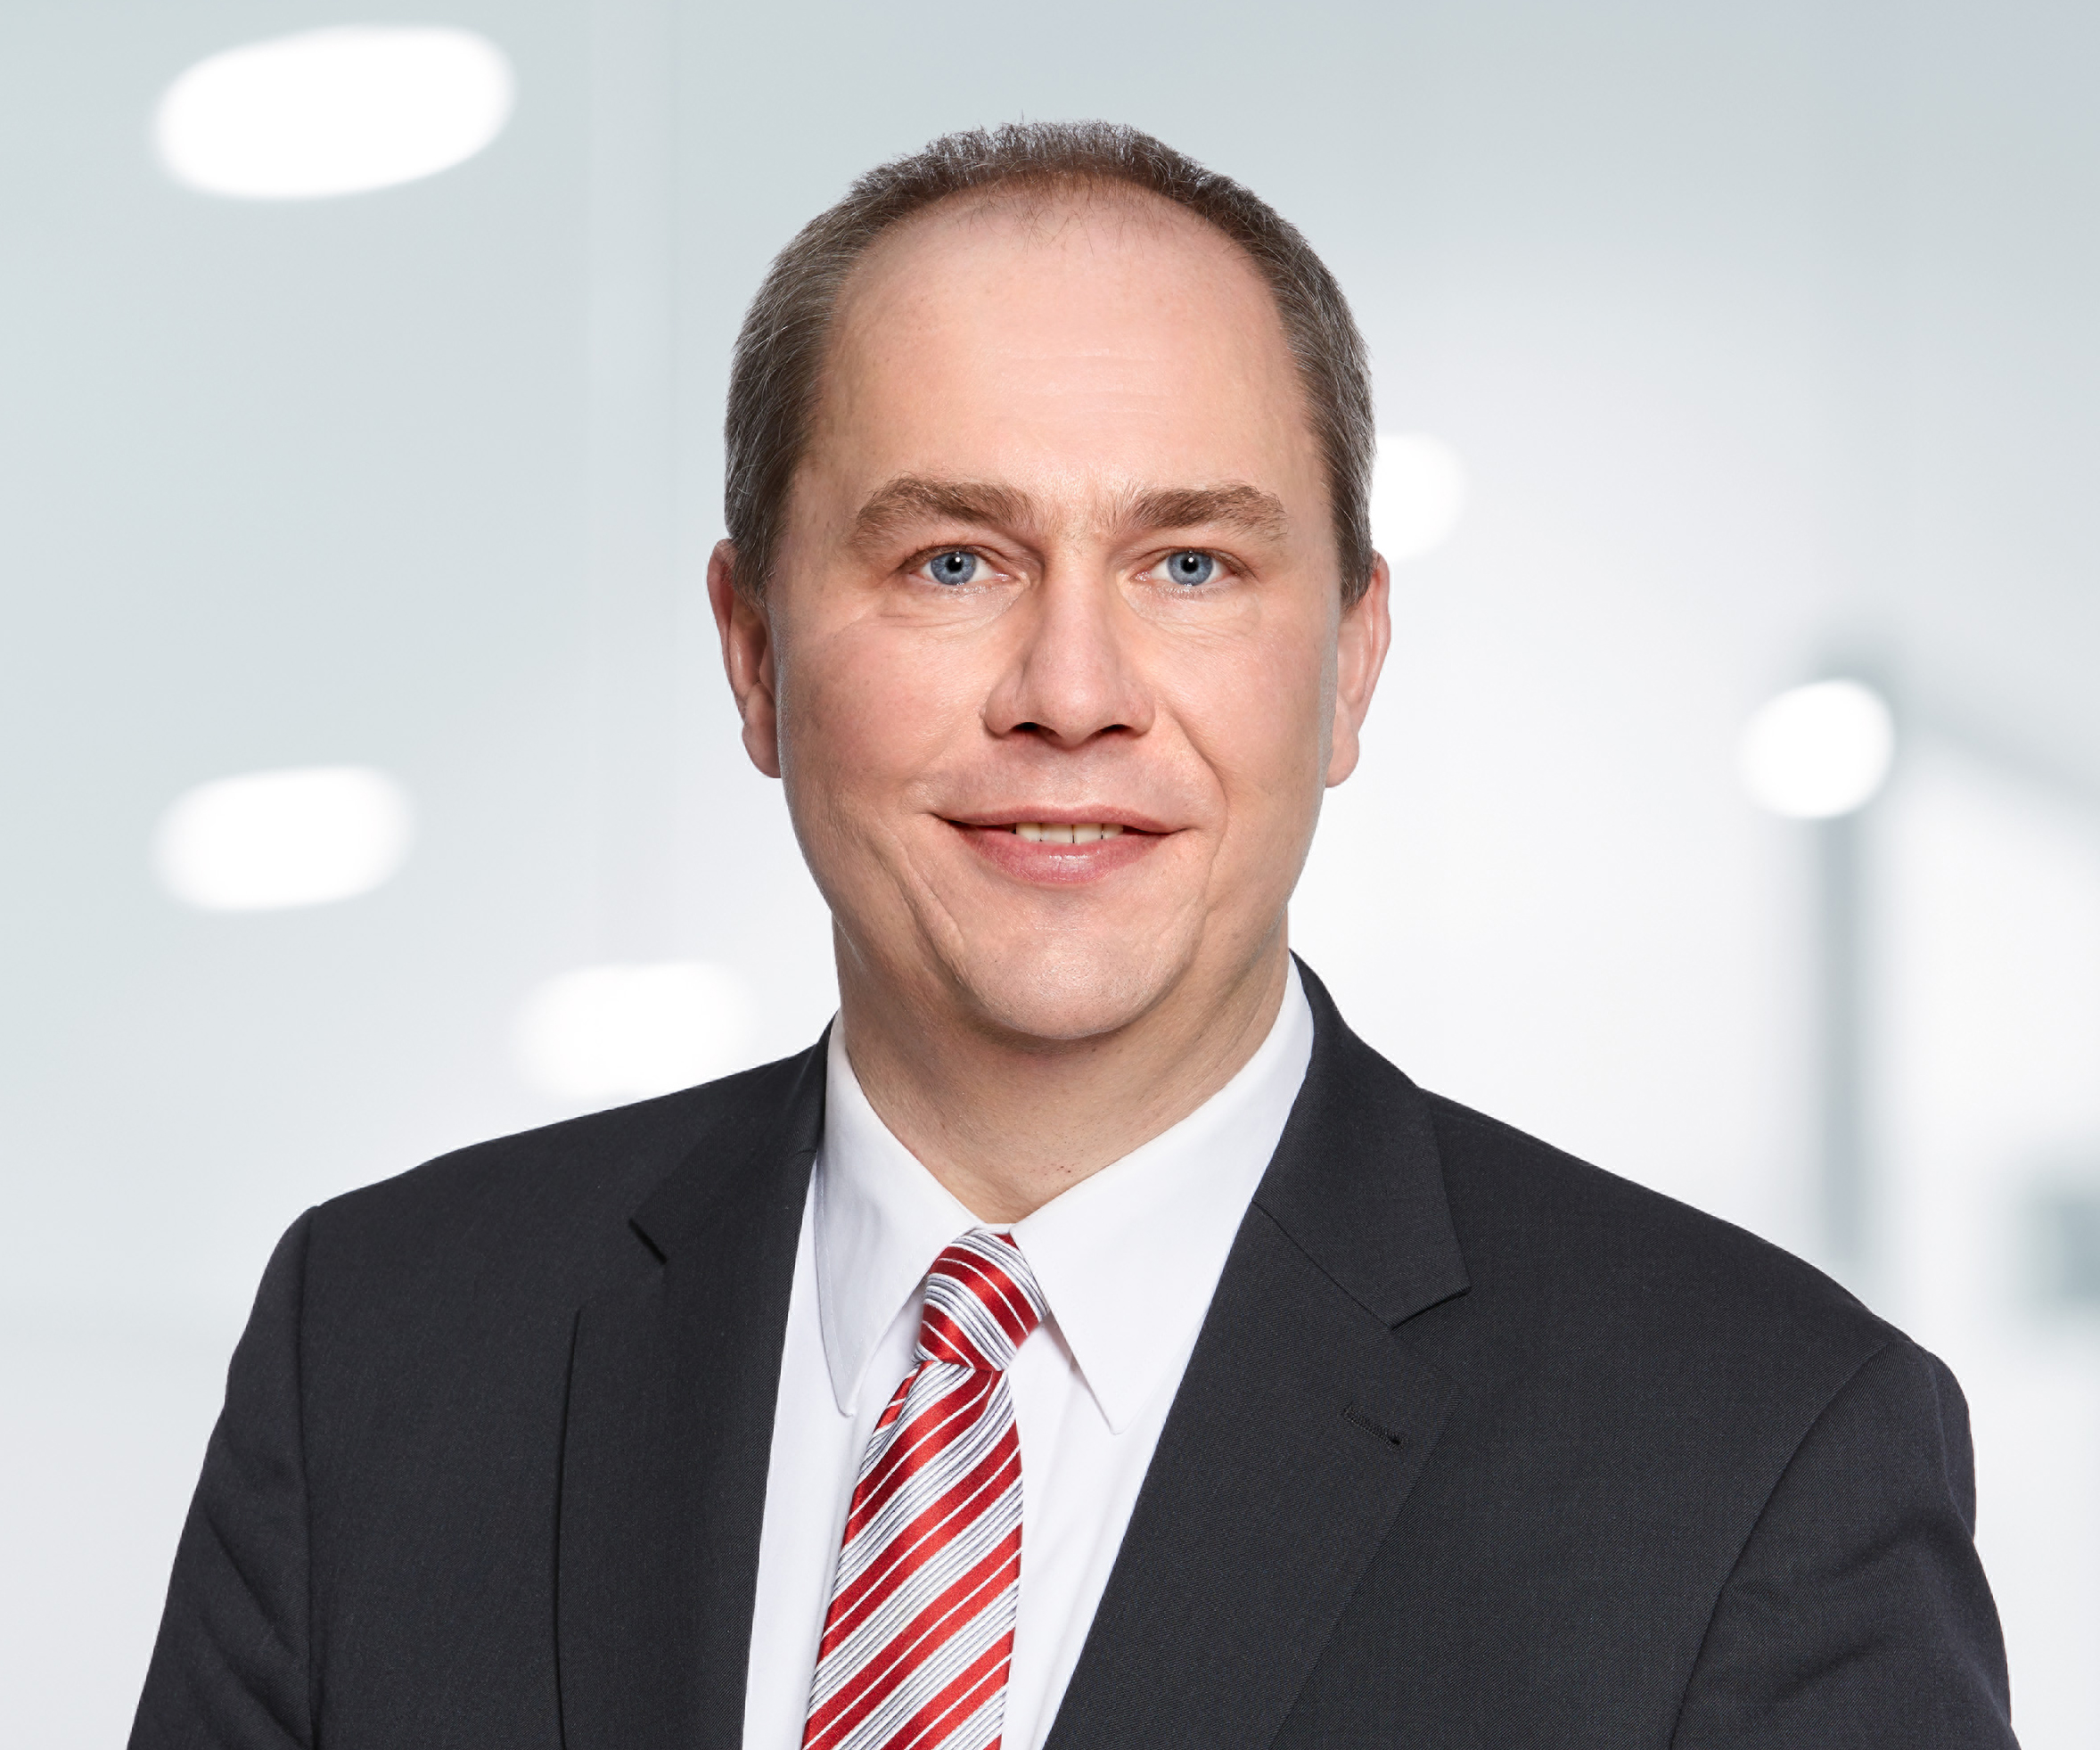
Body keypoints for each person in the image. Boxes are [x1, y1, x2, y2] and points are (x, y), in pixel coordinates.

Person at [131, 121, 2016, 1750]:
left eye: (1188, 564)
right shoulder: (380, 1348)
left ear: (1348, 666)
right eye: (952, 559)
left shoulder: (1753, 1453)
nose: (1070, 690)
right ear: (750, 652)